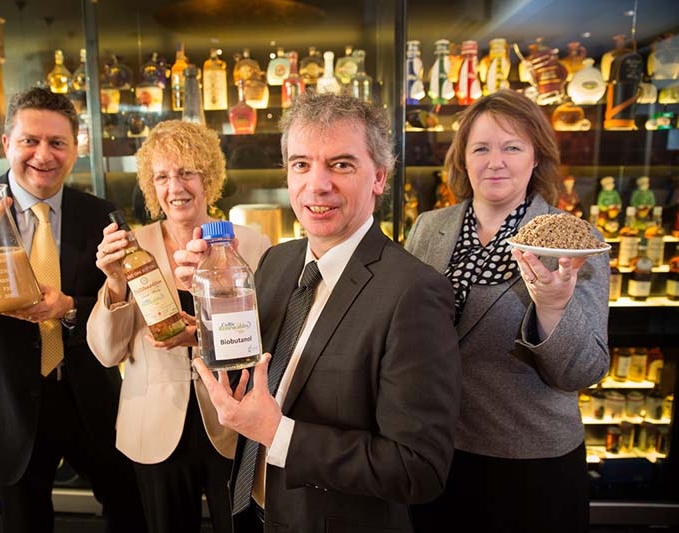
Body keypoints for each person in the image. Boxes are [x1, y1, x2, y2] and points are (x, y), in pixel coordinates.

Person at [176, 92, 462, 532]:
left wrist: (278, 434)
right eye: (301, 164)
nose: (317, 185)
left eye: (341, 165)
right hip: (251, 512)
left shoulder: (414, 292)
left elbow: (417, 469)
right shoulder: (276, 262)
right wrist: (209, 310)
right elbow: (251, 365)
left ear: (379, 178)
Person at [0, 87, 145, 533]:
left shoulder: (101, 215)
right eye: (29, 141)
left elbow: (125, 306)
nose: (43, 155)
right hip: (2, 405)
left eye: (57, 143)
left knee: (131, 511)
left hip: (89, 399)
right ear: (6, 144)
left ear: (77, 148)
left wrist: (71, 307)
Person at [405, 89, 609, 533]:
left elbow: (583, 370)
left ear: (536, 158)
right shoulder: (428, 226)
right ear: (462, 159)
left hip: (529, 465)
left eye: (512, 147)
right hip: (436, 452)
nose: (495, 161)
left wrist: (553, 307)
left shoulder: (573, 238)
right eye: (481, 148)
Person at [86, 120, 270, 533]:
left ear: (209, 178)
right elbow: (105, 351)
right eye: (163, 177)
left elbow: (267, 336)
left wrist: (204, 336)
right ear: (152, 187)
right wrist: (115, 283)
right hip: (154, 426)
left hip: (233, 422)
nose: (176, 187)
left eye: (187, 172)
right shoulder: (131, 249)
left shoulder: (252, 245)